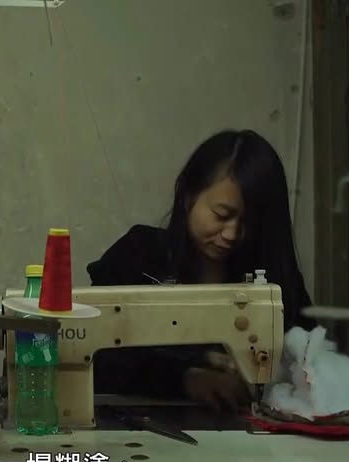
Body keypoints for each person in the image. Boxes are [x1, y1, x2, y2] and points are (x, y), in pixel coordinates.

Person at [86, 129, 315, 411]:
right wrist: (185, 379)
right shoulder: (138, 257)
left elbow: (311, 358)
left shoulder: (273, 276)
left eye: (249, 223)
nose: (232, 234)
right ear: (188, 196)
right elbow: (96, 359)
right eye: (222, 215)